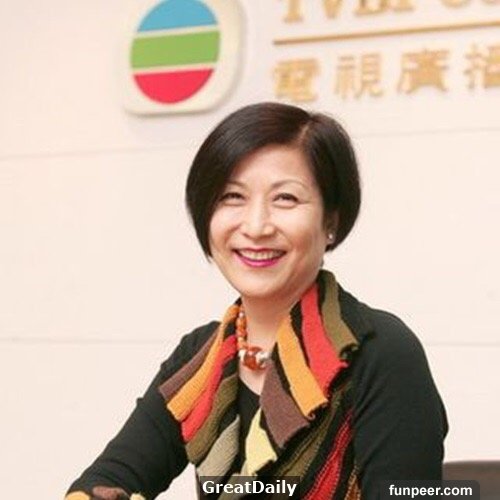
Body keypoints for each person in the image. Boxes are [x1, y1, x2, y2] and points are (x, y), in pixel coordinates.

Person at [65, 102, 448, 500]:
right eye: (232, 196)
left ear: (331, 221)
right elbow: (106, 479)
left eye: (285, 199)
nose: (256, 226)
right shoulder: (201, 358)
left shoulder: (381, 351)